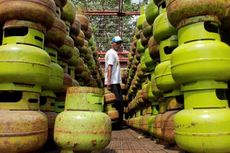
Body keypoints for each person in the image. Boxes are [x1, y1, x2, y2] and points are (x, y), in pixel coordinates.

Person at [105, 36, 124, 128]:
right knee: (118, 102)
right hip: (112, 82)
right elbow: (109, 67)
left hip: (115, 82)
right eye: (117, 43)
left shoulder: (114, 53)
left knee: (119, 102)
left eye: (119, 43)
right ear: (112, 43)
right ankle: (117, 124)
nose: (118, 45)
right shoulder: (111, 53)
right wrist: (108, 81)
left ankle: (118, 124)